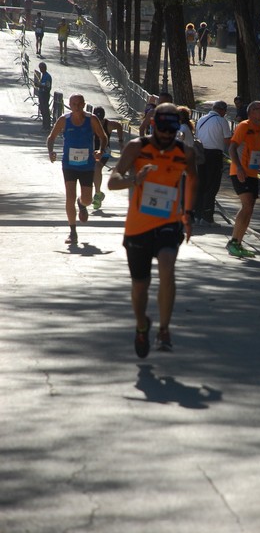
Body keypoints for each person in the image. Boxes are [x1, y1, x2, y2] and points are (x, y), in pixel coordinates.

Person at [108, 103, 197, 358]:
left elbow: (193, 178)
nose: (168, 137)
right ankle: (141, 325)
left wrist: (188, 213)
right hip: (137, 227)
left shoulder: (185, 152)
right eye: (163, 131)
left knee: (168, 266)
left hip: (168, 223)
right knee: (140, 286)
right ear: (154, 126)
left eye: (172, 131)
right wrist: (135, 180)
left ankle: (164, 330)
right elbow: (112, 181)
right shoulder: (137, 147)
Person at [46, 93, 108, 245]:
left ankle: (82, 205)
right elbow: (51, 137)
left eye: (79, 104)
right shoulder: (64, 120)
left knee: (87, 199)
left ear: (84, 104)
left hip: (87, 165)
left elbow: (103, 136)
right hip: (69, 165)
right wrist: (51, 152)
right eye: (73, 104)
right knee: (69, 197)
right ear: (70, 105)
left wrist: (101, 150)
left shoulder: (92, 119)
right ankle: (73, 232)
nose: (77, 107)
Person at [226, 101, 260, 258]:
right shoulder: (244, 125)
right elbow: (232, 148)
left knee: (249, 208)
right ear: (251, 112)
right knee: (247, 204)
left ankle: (237, 242)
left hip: (252, 172)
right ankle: (234, 242)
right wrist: (238, 168)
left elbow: (259, 149)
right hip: (240, 172)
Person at [195, 100, 232, 226]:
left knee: (201, 185)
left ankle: (197, 214)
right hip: (214, 155)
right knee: (212, 186)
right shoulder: (222, 121)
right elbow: (227, 141)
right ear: (222, 110)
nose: (225, 113)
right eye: (225, 111)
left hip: (201, 153)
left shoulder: (201, 119)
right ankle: (207, 217)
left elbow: (198, 135)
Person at [92, 106, 124, 209]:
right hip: (91, 151)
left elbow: (119, 126)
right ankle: (99, 193)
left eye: (100, 121)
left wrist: (120, 142)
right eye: (97, 121)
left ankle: (97, 195)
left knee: (97, 167)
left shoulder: (109, 124)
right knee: (90, 172)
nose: (99, 124)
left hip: (104, 151)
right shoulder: (90, 123)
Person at [36, 62, 52, 132]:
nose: (40, 70)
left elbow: (47, 86)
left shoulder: (47, 76)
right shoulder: (43, 75)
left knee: (45, 111)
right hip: (42, 95)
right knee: (42, 110)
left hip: (45, 95)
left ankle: (47, 126)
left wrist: (40, 85)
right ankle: (44, 125)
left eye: (41, 68)